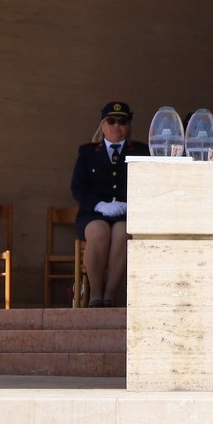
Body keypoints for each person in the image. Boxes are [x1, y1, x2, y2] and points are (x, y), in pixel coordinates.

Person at [70, 101, 150, 307]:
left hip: (126, 214)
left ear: (129, 125)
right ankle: (95, 294)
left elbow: (149, 185)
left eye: (122, 121)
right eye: (111, 121)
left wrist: (129, 205)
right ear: (102, 125)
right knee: (98, 231)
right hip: (94, 213)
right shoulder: (88, 153)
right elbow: (78, 188)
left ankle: (110, 295)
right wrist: (100, 205)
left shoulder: (141, 152)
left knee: (123, 233)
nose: (116, 126)